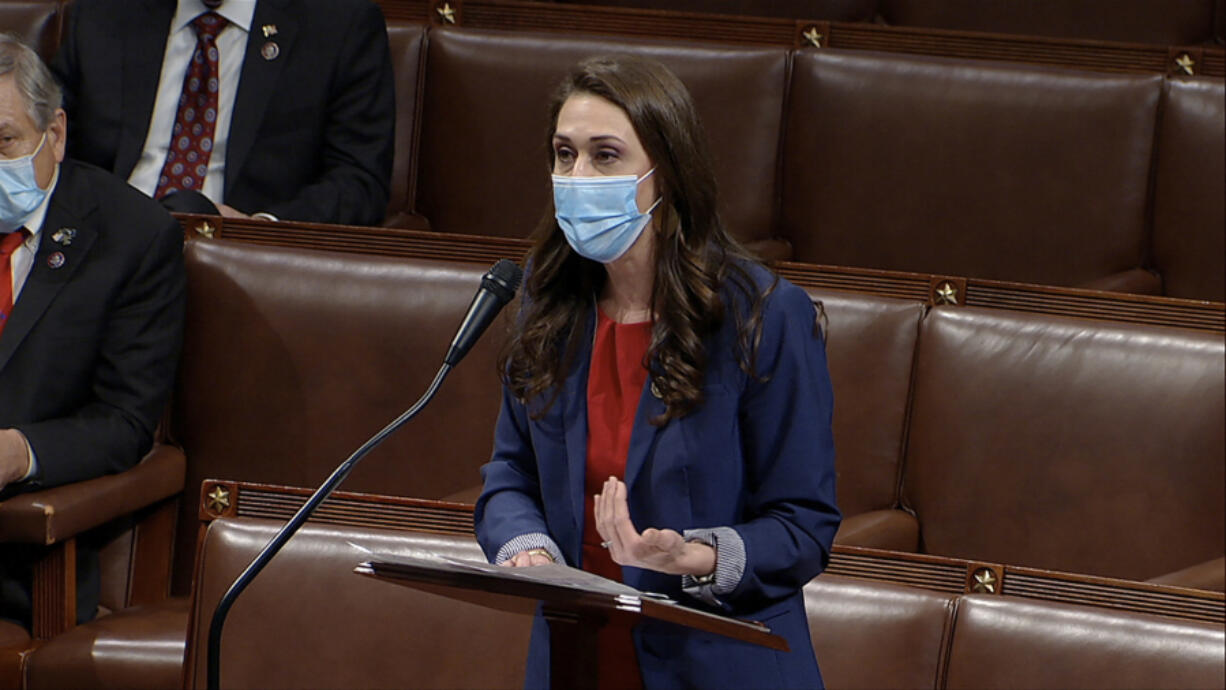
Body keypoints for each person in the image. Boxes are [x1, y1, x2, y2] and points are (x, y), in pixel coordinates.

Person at [474, 55, 840, 689]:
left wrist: (691, 556)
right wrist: (524, 547)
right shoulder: (545, 297)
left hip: (716, 662)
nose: (577, 176)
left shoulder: (761, 316)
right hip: (576, 656)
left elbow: (803, 524)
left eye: (605, 156)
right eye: (564, 155)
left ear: (665, 173)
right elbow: (511, 471)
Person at [0, 35, 186, 628]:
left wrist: (19, 453)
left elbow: (124, 421)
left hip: (19, 547)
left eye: (2, 141)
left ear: (53, 133)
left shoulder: (133, 237)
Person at [50, 0, 394, 226]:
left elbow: (358, 181)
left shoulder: (338, 23)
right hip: (104, 239)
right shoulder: (108, 12)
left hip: (240, 259)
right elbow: (47, 136)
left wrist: (260, 227)